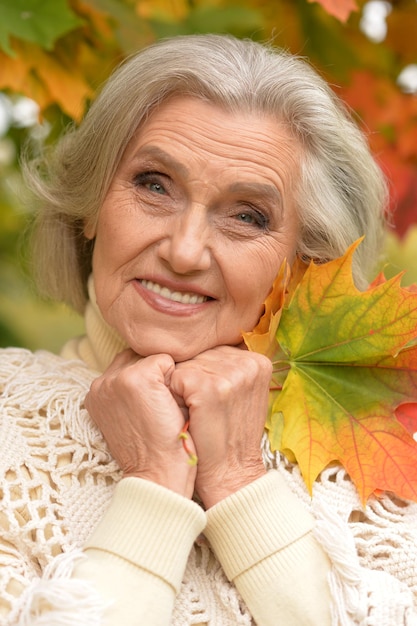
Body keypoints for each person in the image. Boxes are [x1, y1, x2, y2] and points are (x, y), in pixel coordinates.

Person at [1, 33, 416, 626]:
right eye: (154, 185)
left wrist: (239, 481)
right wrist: (155, 484)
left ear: (306, 263)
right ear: (91, 203)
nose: (186, 250)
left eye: (247, 216)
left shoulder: (368, 461)